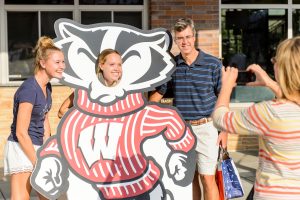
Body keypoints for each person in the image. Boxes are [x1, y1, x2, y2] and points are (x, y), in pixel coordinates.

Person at [213, 36, 300, 199]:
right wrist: (270, 83)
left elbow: (220, 118)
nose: (273, 63)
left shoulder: (269, 112)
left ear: (283, 68)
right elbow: (293, 100)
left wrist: (226, 86)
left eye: (275, 60)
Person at [149, 18, 223, 200]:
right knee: (190, 178)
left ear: (194, 36)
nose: (185, 42)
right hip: (183, 131)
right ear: (176, 40)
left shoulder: (213, 64)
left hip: (207, 128)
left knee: (207, 178)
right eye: (180, 38)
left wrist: (225, 131)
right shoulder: (172, 66)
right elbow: (158, 96)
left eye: (188, 37)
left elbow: (223, 98)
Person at [3, 36, 65, 200]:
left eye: (63, 62)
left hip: (38, 148)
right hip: (22, 147)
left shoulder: (47, 87)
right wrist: (38, 162)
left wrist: (47, 150)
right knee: (21, 197)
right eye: (57, 62)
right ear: (43, 63)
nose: (62, 66)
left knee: (48, 196)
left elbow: (44, 119)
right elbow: (21, 132)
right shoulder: (29, 90)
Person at [58, 48, 122, 118]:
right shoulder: (87, 87)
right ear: (101, 66)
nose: (117, 68)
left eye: (119, 65)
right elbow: (62, 111)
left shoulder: (126, 90)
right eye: (112, 64)